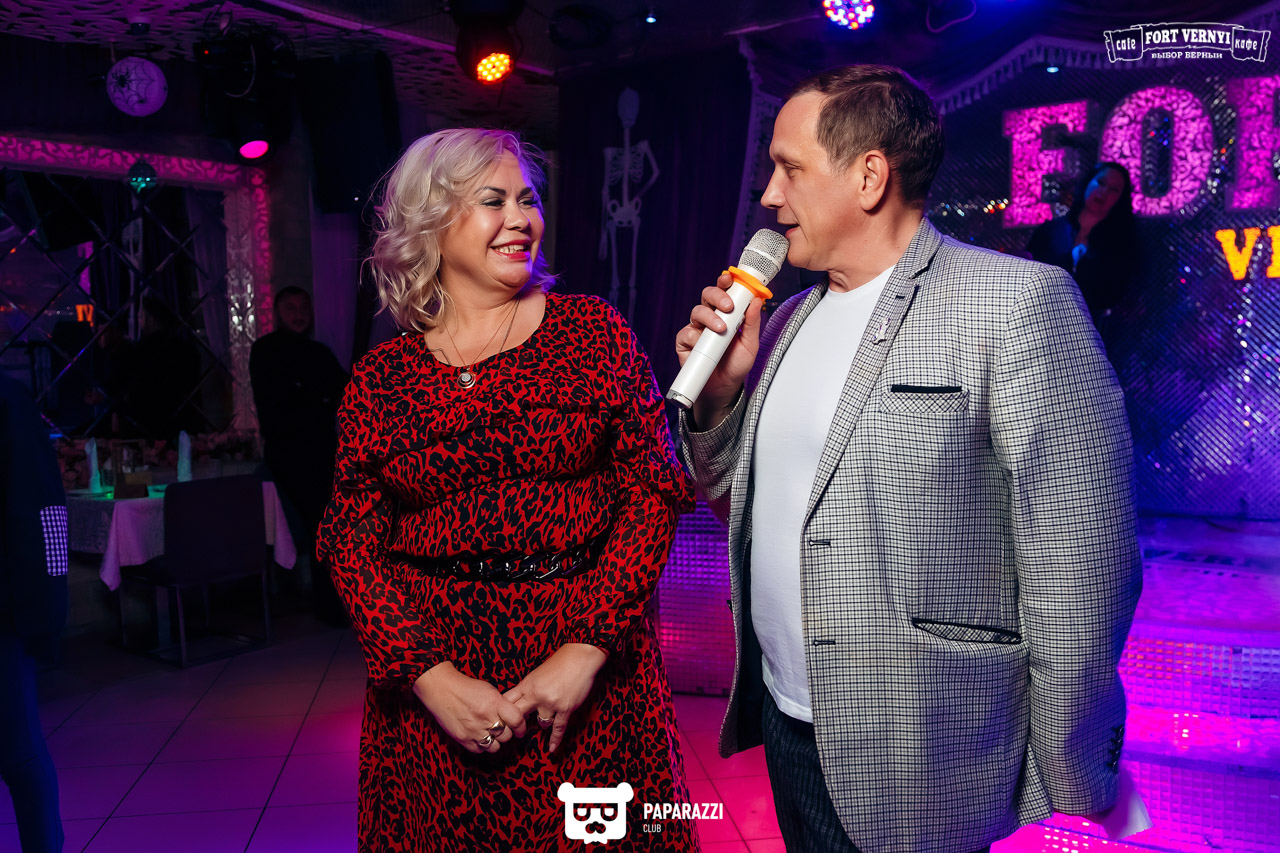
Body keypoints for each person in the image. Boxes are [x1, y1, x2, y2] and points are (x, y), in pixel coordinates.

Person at [676, 65, 1142, 853]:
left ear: (869, 177)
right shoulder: (785, 319)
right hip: (788, 722)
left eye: (789, 168)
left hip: (922, 742)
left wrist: (1067, 762)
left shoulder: (1015, 302)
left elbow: (1082, 557)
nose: (769, 195)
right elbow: (742, 506)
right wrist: (720, 396)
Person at [317, 128, 697, 851]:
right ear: (431, 220)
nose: (521, 219)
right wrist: (428, 676)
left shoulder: (592, 332)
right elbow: (349, 543)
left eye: (528, 199)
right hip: (439, 680)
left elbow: (652, 492)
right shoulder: (381, 378)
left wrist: (586, 646)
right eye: (493, 201)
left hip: (587, 672)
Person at [250, 286, 349, 625]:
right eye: (290, 307)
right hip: (288, 455)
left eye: (304, 306)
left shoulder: (318, 352)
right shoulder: (266, 350)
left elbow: (344, 391)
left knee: (334, 525)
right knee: (319, 524)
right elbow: (278, 405)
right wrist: (314, 399)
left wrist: (308, 396)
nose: (299, 313)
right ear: (278, 313)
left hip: (323, 452)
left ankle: (337, 604)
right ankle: (329, 608)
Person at [1, 375, 69, 853]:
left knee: (18, 755)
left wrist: (48, 612)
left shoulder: (7, 401)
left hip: (5, 614)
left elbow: (47, 513)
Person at [1027, 161, 1140, 327]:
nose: (1103, 192)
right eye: (1100, 182)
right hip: (1041, 323)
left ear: (1120, 199)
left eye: (1113, 190)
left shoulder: (1122, 243)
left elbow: (1118, 294)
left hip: (1094, 331)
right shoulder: (1050, 231)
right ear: (1088, 182)